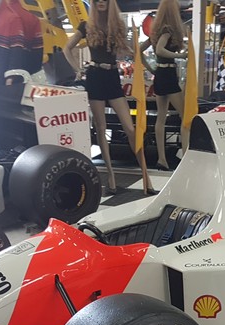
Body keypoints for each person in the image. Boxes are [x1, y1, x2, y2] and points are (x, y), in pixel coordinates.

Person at [64, 0, 153, 194]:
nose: (101, 2)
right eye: (97, 0)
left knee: (130, 128)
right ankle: (111, 179)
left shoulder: (117, 26)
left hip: (112, 76)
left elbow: (132, 51)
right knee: (100, 127)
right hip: (95, 76)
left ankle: (146, 177)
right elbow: (67, 48)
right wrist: (77, 70)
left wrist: (147, 44)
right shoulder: (86, 26)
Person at [0, 0, 43, 152]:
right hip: (2, 81)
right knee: (4, 127)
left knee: (0, 127)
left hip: (4, 82)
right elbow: (35, 60)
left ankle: (4, 155)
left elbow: (16, 53)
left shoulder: (13, 19)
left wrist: (10, 78)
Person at [140, 0, 188, 171]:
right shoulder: (168, 30)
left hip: (160, 74)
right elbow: (160, 50)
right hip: (168, 75)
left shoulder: (156, 32)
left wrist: (150, 68)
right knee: (185, 117)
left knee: (161, 117)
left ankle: (162, 159)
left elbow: (139, 50)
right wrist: (180, 56)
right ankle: (186, 155)